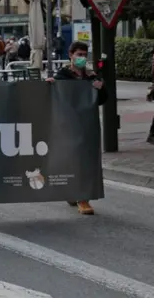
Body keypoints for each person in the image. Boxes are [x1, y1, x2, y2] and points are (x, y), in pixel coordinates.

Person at [49, 41, 107, 216]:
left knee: (86, 159)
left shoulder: (91, 76)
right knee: (72, 158)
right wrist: (51, 85)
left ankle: (83, 197)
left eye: (84, 54)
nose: (81, 58)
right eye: (79, 54)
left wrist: (101, 89)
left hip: (87, 124)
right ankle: (74, 192)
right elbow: (54, 95)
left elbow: (103, 99)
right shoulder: (62, 75)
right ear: (71, 54)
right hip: (69, 124)